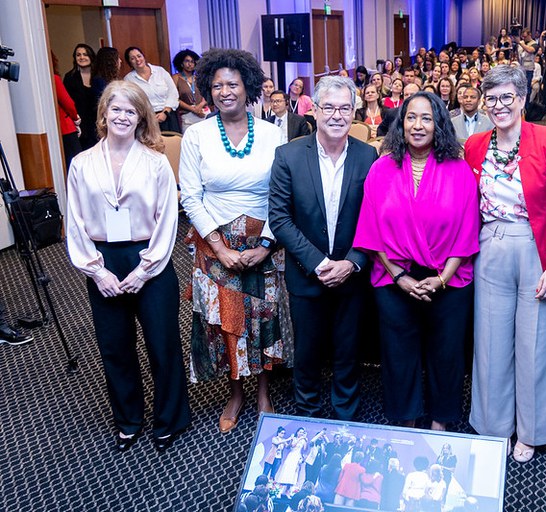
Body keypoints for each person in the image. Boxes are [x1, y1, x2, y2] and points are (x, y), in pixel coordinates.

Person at [66, 80, 191, 452]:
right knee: (115, 347)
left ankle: (169, 420)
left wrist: (144, 269)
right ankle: (128, 420)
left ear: (141, 117)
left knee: (163, 345)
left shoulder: (155, 162)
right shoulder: (82, 163)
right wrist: (96, 270)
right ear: (104, 113)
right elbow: (75, 222)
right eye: (116, 109)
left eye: (131, 111)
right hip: (104, 261)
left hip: (149, 258)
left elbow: (168, 219)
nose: (122, 116)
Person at [179, 48, 292, 434]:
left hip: (263, 240)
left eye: (233, 84)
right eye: (217, 85)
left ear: (248, 87)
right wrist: (219, 247)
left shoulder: (273, 134)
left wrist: (266, 244)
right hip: (216, 243)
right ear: (208, 90)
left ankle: (262, 392)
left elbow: (282, 192)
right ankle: (235, 392)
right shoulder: (196, 135)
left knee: (263, 318)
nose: (225, 91)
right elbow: (190, 196)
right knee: (227, 324)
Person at [353, 91, 479, 430]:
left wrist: (442, 278)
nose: (418, 125)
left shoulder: (459, 171)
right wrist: (399, 277)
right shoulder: (381, 169)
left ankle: (441, 421)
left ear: (439, 124)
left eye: (426, 118)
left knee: (446, 353)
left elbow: (467, 231)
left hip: (449, 279)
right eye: (411, 117)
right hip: (395, 278)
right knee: (398, 354)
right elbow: (371, 229)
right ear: (401, 123)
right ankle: (405, 419)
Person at [464, 65, 546, 463]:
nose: (499, 105)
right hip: (490, 245)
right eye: (491, 98)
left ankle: (533, 430)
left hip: (538, 247)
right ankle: (494, 426)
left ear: (522, 99)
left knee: (537, 342)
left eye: (507, 97)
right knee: (490, 341)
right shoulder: (475, 144)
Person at [269, 76, 378, 421]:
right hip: (306, 275)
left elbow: (373, 217)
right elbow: (280, 218)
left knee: (348, 350)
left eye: (344, 108)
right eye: (329, 107)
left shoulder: (367, 155)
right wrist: (318, 263)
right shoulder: (288, 155)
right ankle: (308, 413)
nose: (336, 115)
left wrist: (352, 262)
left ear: (354, 112)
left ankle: (346, 414)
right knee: (308, 352)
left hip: (351, 274)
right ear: (314, 110)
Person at [124, 46, 180, 132]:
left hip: (168, 115)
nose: (137, 60)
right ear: (130, 62)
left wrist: (165, 113)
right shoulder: (128, 79)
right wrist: (148, 117)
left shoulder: (160, 71)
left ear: (143, 56)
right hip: (146, 120)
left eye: (139, 56)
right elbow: (130, 102)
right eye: (133, 58)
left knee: (173, 140)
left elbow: (173, 93)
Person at [63, 43, 99, 149]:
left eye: (85, 54)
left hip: (99, 124)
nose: (82, 57)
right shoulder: (70, 77)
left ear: (91, 56)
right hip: (80, 126)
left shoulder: (99, 75)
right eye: (78, 55)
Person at [52, 52, 82, 171]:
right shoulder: (54, 78)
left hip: (55, 129)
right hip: (66, 128)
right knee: (76, 163)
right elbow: (68, 103)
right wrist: (76, 118)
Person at [172, 49, 208, 133]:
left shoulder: (199, 77)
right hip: (187, 116)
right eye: (187, 61)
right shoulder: (176, 78)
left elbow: (207, 94)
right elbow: (175, 99)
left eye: (192, 61)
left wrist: (200, 106)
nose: (190, 64)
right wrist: (193, 109)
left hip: (203, 113)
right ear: (181, 63)